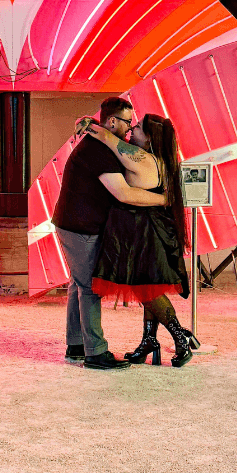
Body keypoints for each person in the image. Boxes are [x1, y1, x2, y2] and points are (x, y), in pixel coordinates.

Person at [52, 98, 168, 370]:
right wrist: (164, 200)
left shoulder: (100, 143)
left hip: (72, 224)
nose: (130, 129)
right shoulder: (99, 152)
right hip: (80, 228)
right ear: (113, 121)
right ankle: (95, 353)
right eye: (128, 122)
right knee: (90, 287)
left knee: (78, 285)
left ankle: (77, 345)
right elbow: (124, 193)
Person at [82, 113, 200, 367]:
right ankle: (149, 341)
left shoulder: (142, 158)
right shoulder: (161, 161)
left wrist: (88, 123)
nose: (131, 130)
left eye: (137, 128)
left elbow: (106, 137)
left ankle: (180, 338)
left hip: (142, 230)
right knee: (148, 286)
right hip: (150, 228)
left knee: (146, 289)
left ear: (148, 138)